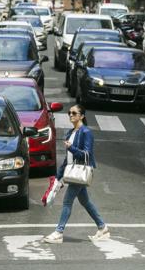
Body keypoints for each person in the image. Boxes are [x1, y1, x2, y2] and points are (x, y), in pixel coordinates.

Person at [43, 104, 109, 244]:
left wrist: (71, 148)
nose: (71, 115)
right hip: (73, 171)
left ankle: (59, 232)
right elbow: (68, 159)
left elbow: (87, 154)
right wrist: (58, 177)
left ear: (82, 116)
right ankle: (102, 228)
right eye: (69, 113)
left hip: (80, 171)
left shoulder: (86, 132)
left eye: (74, 113)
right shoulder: (71, 132)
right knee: (85, 201)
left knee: (67, 201)